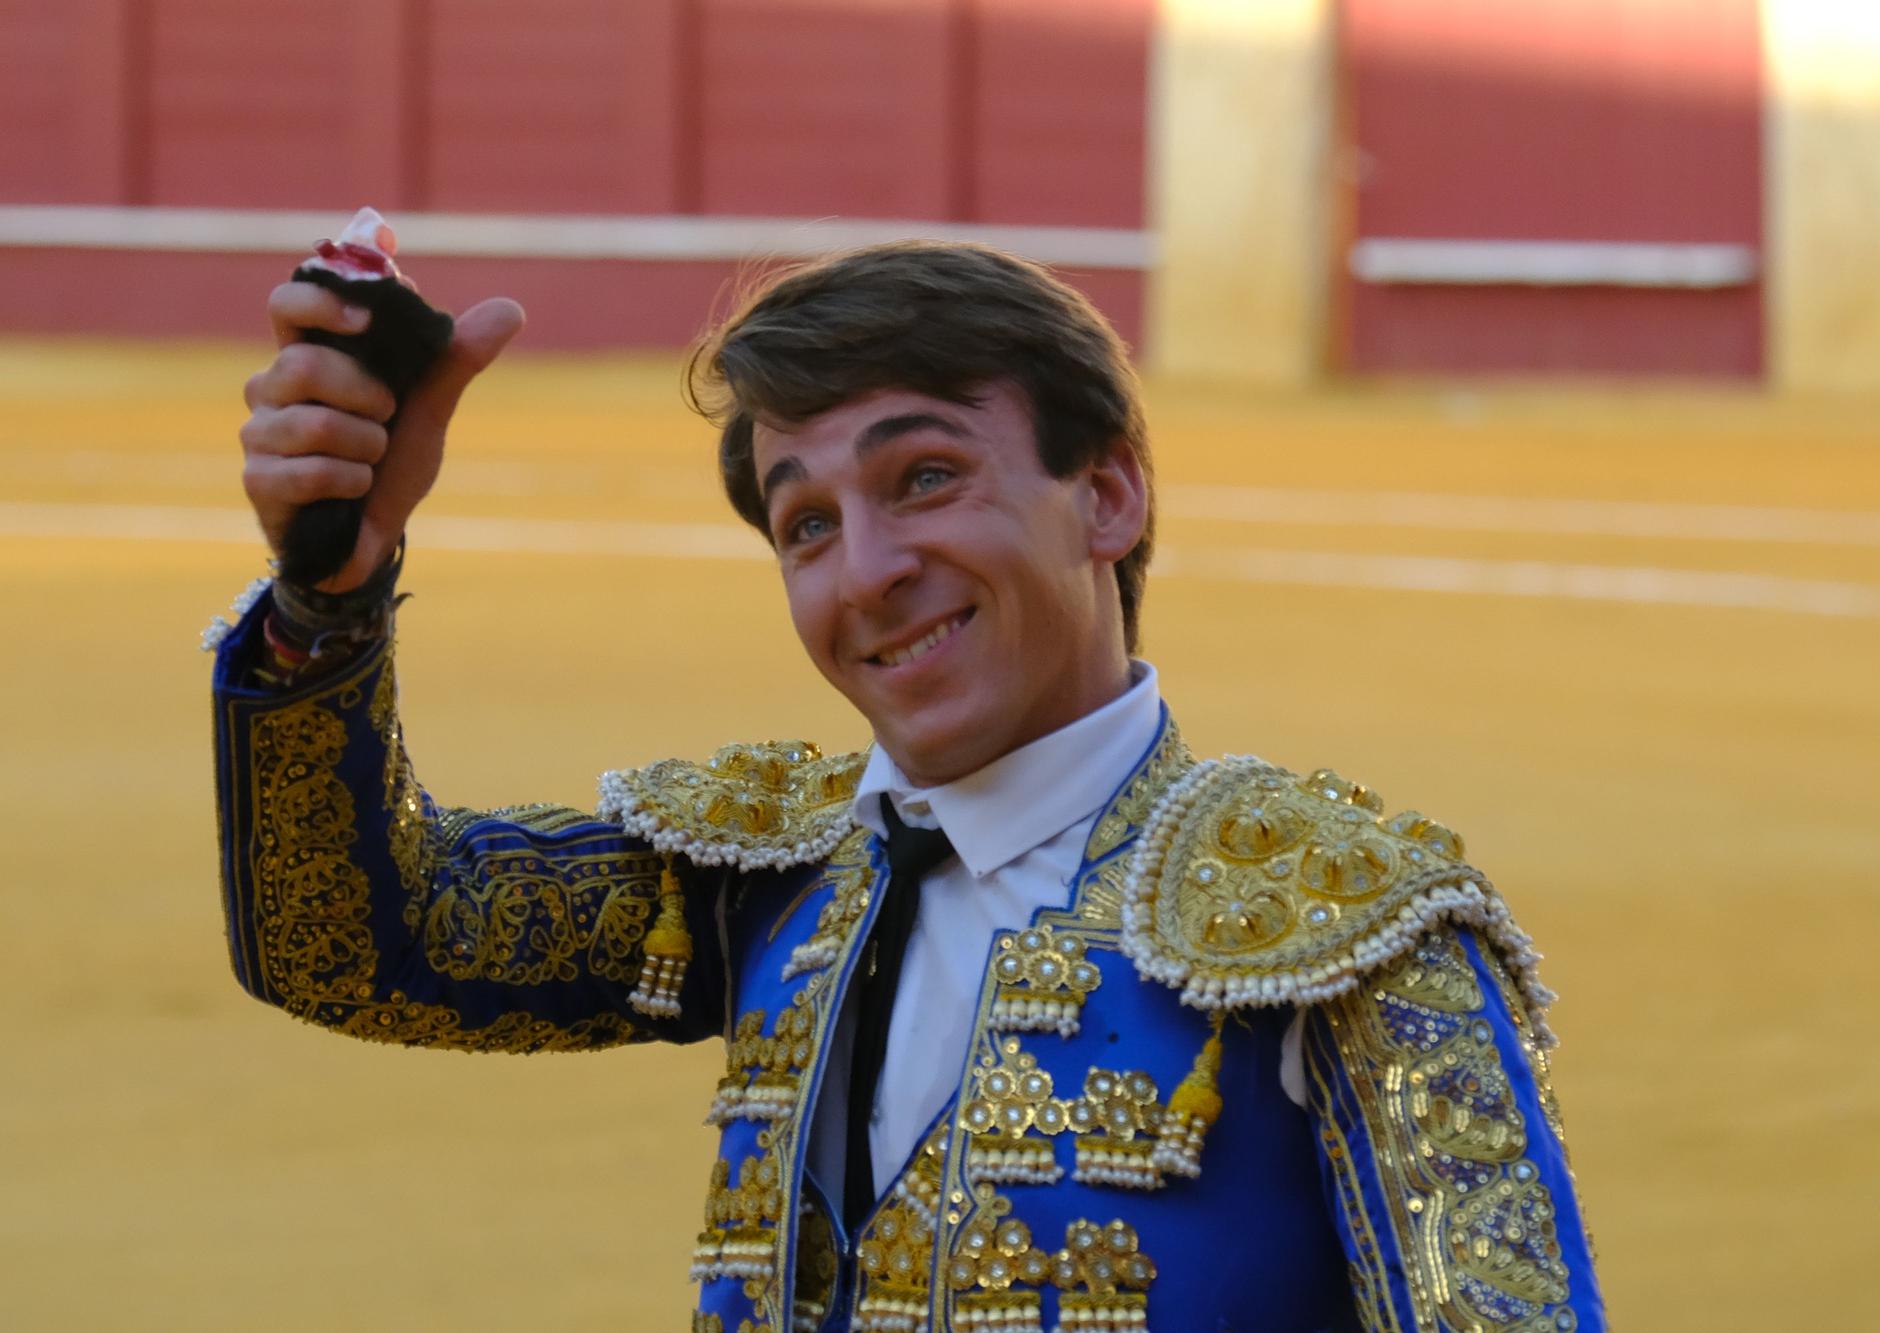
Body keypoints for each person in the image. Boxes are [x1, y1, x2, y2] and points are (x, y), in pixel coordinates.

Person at [213, 241, 1605, 1332]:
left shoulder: (1347, 935)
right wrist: (327, 602)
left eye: (926, 477)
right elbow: (356, 941)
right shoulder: (768, 878)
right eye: (807, 523)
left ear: (1106, 495)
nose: (867, 571)